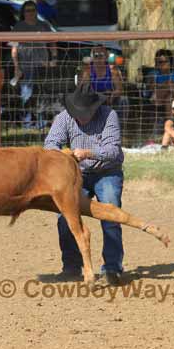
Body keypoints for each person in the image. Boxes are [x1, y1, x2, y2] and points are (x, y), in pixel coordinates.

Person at [44, 82, 125, 286]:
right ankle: (71, 266)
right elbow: (50, 144)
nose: (82, 116)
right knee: (65, 218)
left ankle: (112, 268)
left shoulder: (109, 116)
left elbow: (112, 151)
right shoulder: (64, 118)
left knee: (110, 213)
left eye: (86, 112)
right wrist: (64, 156)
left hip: (107, 171)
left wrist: (88, 153)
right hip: (77, 174)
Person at [11, 0, 57, 128]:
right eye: (28, 10)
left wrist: (54, 58)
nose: (31, 13)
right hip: (25, 66)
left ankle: (40, 121)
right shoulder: (18, 27)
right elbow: (13, 49)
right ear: (23, 13)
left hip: (42, 64)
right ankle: (27, 121)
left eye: (33, 10)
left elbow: (53, 42)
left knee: (42, 92)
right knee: (26, 93)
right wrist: (16, 67)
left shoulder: (44, 25)